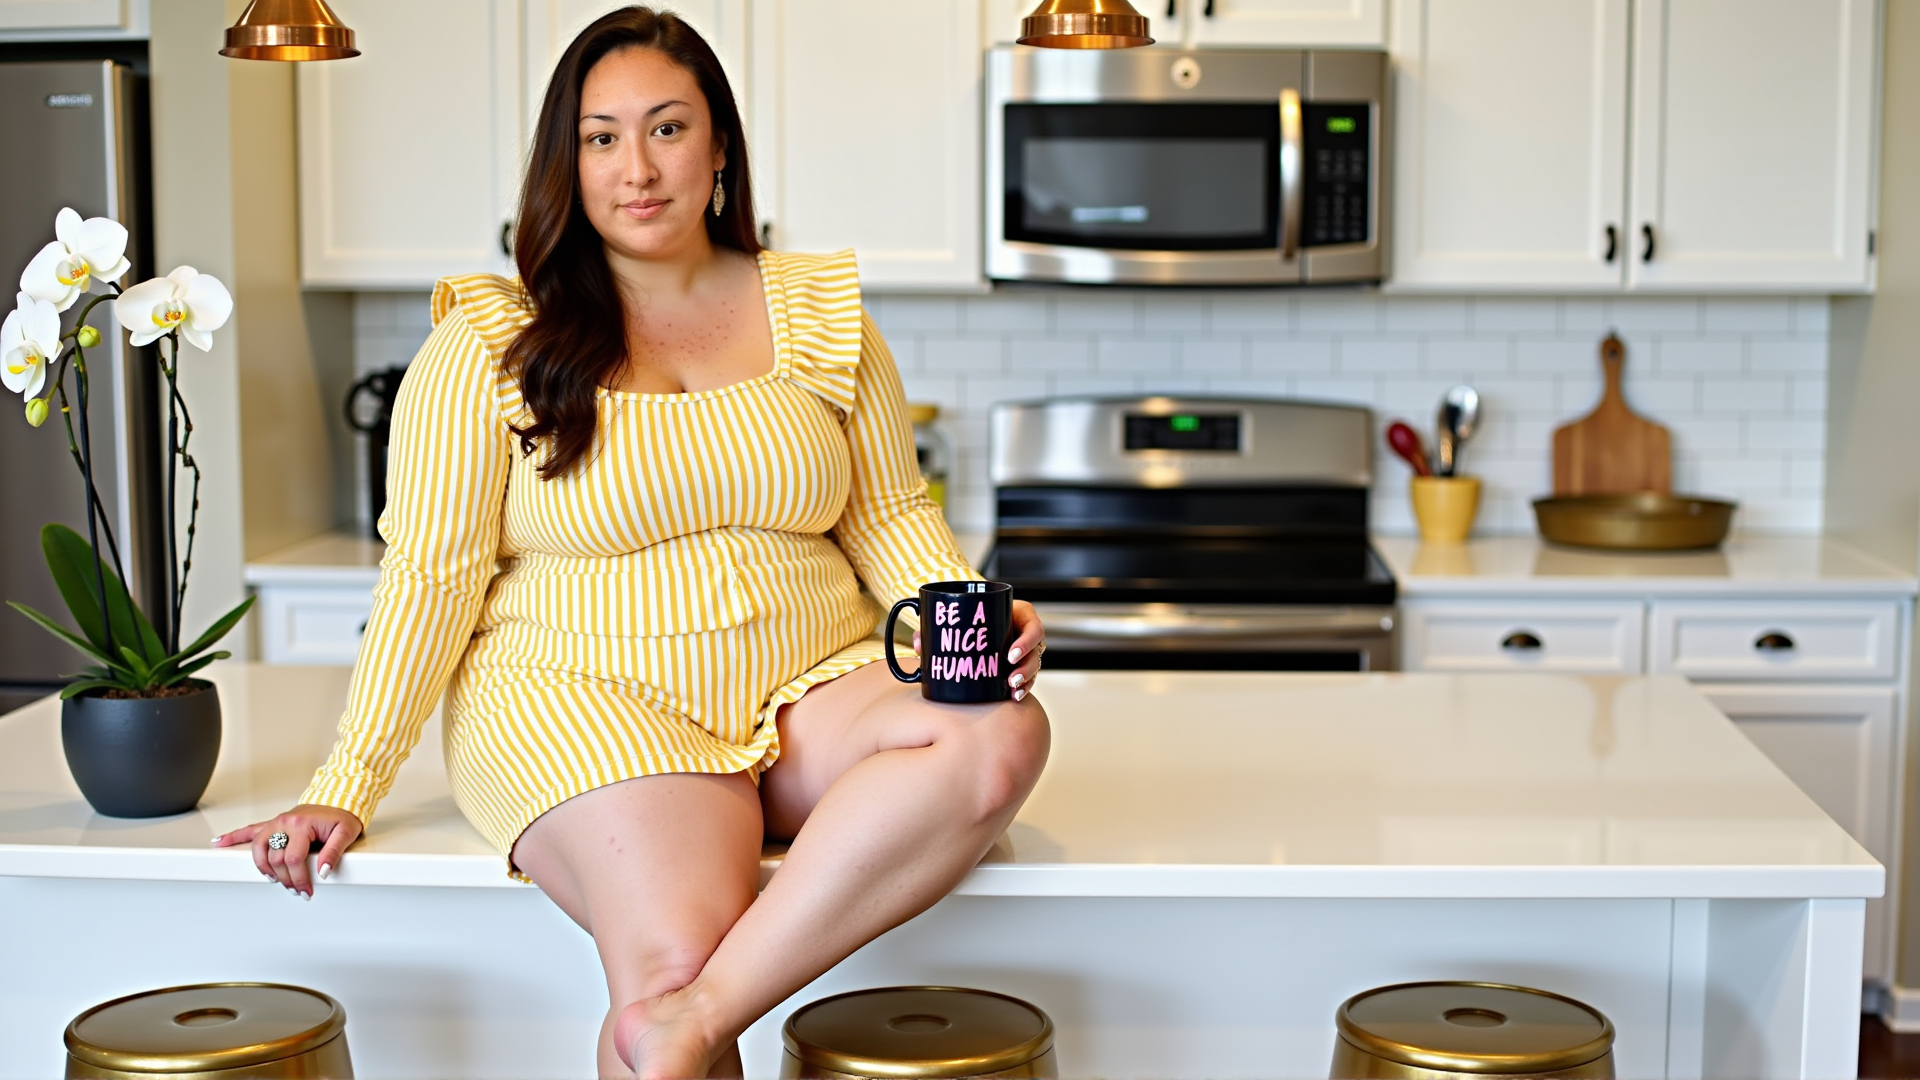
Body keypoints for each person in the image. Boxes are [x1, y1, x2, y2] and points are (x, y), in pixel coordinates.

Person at [212, 8, 1051, 1077]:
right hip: (586, 694)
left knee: (999, 737)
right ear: (566, 162)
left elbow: (889, 516)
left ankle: (695, 1021)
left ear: (719, 148)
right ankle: (683, 1015)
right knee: (671, 959)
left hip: (810, 680)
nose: (637, 168)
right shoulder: (487, 341)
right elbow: (432, 574)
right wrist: (350, 777)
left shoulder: (822, 314)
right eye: (601, 137)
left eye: (667, 128)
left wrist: (965, 629)